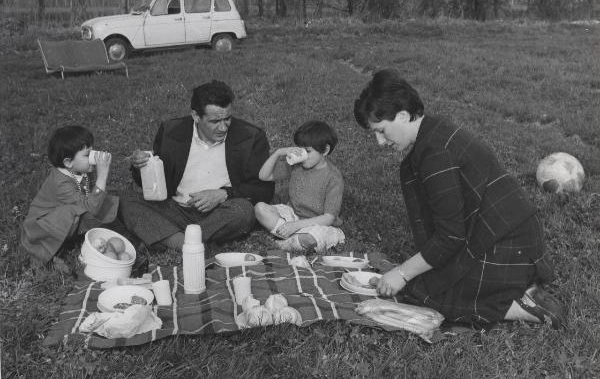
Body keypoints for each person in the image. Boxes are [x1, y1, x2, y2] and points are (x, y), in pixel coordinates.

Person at [354, 69, 567, 328]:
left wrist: (401, 273)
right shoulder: (434, 132)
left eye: (381, 131)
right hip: (502, 234)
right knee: (420, 281)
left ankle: (524, 306)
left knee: (428, 295)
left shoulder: (434, 154)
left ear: (402, 115)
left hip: (508, 244)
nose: (379, 142)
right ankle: (522, 287)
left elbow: (450, 237)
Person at [119, 80, 274, 250]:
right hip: (176, 208)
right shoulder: (172, 131)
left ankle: (168, 238)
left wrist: (223, 194)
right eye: (215, 121)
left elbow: (263, 190)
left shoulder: (250, 136)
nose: (223, 127)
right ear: (196, 116)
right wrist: (141, 167)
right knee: (126, 199)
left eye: (227, 119)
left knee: (244, 211)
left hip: (220, 213)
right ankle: (187, 243)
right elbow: (154, 183)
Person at [21, 126, 119, 272]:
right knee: (73, 211)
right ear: (68, 162)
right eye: (87, 155)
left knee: (101, 201)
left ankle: (81, 238)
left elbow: (92, 199)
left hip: (60, 221)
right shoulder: (61, 182)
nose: (93, 157)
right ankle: (49, 254)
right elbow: (90, 207)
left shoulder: (79, 170)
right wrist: (102, 175)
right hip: (42, 229)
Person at [254, 121, 345, 253]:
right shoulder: (296, 165)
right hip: (294, 215)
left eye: (307, 151)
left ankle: (286, 242)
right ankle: (292, 239)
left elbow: (329, 217)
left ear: (325, 150)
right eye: (300, 149)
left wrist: (295, 226)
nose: (302, 155)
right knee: (260, 209)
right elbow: (264, 176)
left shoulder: (333, 177)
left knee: (311, 238)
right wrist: (278, 153)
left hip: (319, 224)